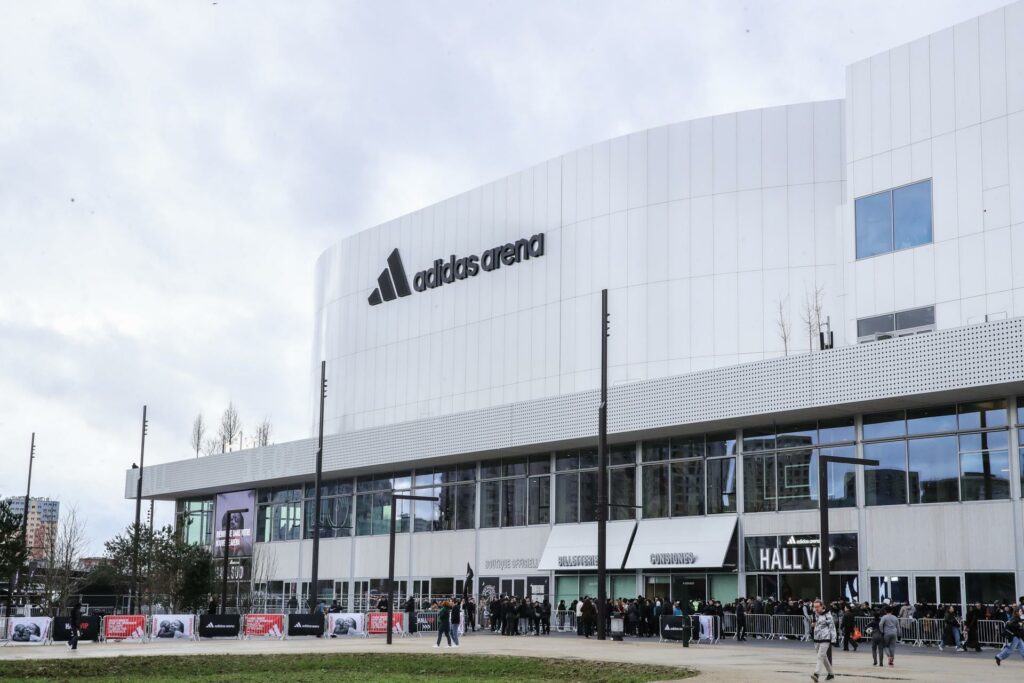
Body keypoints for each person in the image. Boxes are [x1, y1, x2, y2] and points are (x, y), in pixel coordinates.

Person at [810, 599, 836, 682]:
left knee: (820, 656)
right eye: (815, 607)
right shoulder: (815, 614)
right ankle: (831, 674)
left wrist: (833, 639)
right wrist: (813, 625)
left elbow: (832, 628)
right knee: (824, 657)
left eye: (817, 607)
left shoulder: (828, 616)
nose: (816, 608)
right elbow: (815, 624)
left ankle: (816, 674)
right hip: (817, 638)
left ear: (822, 606)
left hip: (826, 638)